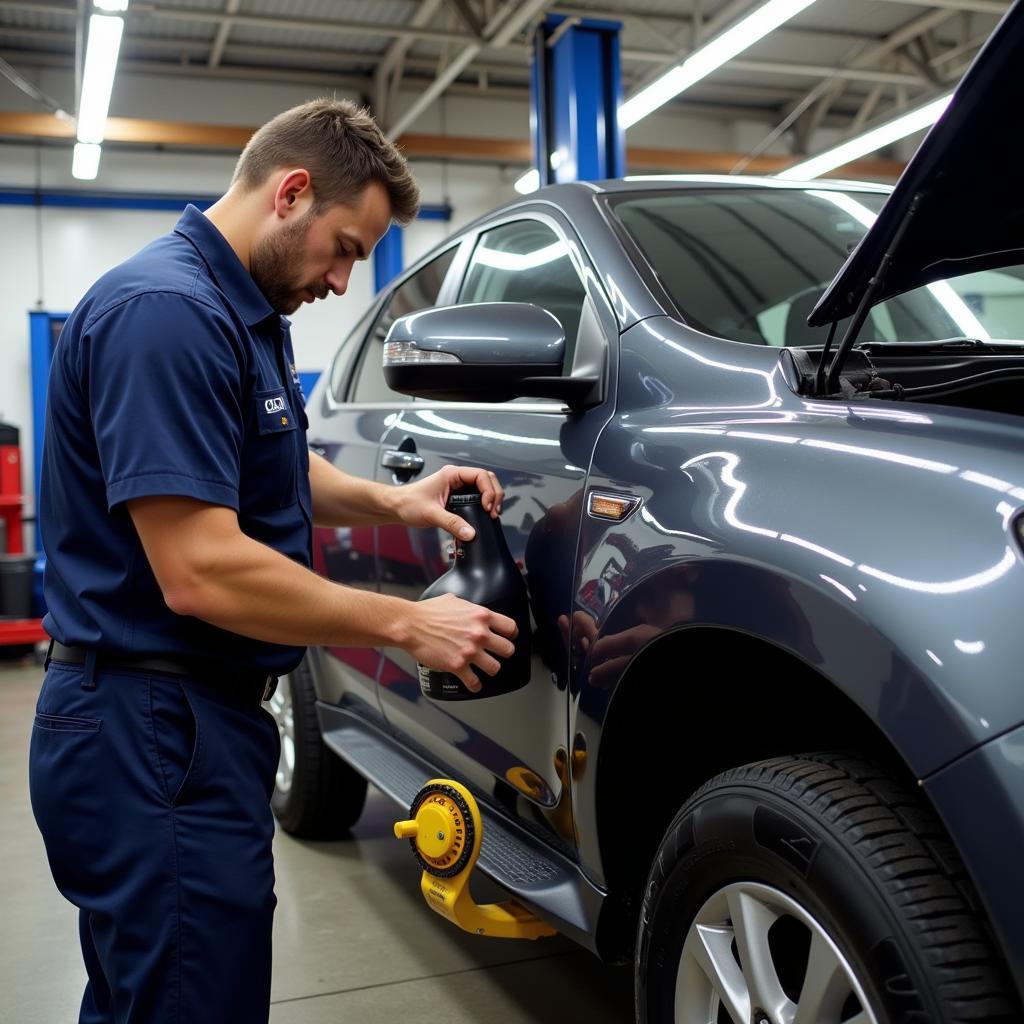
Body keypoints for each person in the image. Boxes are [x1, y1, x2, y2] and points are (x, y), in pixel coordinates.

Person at [28, 98, 518, 1024]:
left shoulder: (235, 309)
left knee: (153, 997)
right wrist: (409, 623)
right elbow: (202, 569)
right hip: (150, 729)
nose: (341, 280)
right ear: (292, 193)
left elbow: (266, 461)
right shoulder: (167, 314)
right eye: (343, 246)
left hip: (180, 724)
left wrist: (391, 498)